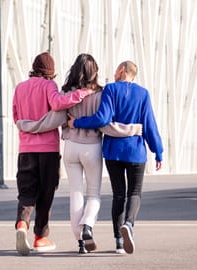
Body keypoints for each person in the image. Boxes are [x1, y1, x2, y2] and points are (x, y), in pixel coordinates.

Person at [16, 54, 142, 254]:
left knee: (75, 194)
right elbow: (104, 122)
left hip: (70, 148)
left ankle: (80, 242)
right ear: (95, 72)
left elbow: (54, 116)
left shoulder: (65, 93)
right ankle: (87, 228)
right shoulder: (101, 94)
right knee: (93, 194)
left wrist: (26, 125)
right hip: (91, 147)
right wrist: (133, 129)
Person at [68, 60, 163, 255]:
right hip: (136, 151)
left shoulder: (110, 90)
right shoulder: (143, 94)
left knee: (119, 194)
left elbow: (102, 118)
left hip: (113, 151)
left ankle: (119, 242)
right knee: (135, 193)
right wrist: (158, 151)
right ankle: (128, 223)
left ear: (121, 70)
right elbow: (150, 124)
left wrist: (77, 122)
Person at [12, 51, 93, 256]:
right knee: (46, 193)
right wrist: (83, 93)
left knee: (27, 191)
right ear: (51, 72)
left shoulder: (20, 88)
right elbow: (58, 103)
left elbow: (15, 115)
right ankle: (41, 237)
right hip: (47, 149)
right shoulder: (49, 86)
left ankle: (22, 224)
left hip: (26, 150)